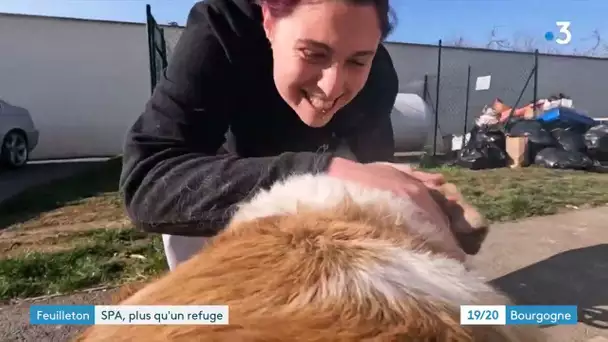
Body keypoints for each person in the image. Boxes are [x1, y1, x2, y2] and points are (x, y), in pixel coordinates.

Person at [119, 0, 454, 271]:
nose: (332, 87)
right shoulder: (221, 29)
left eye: (357, 61)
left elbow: (374, 169)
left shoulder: (379, 77)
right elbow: (147, 182)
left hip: (319, 177)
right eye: (313, 54)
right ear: (268, 21)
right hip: (228, 182)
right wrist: (322, 173)